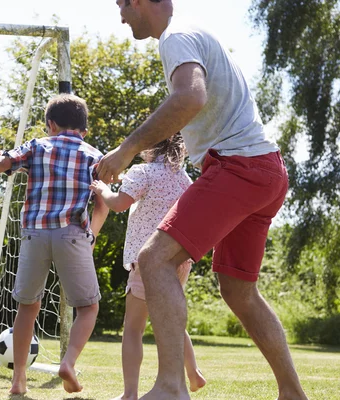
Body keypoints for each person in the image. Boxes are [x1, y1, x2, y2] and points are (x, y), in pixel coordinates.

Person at [97, 1, 309, 399]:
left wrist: (127, 149)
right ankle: (292, 393)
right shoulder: (191, 33)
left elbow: (190, 98)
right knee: (237, 289)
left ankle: (171, 386)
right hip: (265, 170)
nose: (122, 15)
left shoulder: (175, 37)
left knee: (154, 260)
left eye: (124, 3)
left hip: (238, 167)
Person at [0, 93, 109, 395]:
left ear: (50, 124)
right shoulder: (96, 156)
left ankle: (18, 381)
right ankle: (68, 362)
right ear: (84, 128)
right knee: (88, 307)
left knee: (27, 307)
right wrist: (90, 234)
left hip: (34, 235)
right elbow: (103, 203)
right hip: (72, 234)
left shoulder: (37, 146)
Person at [90, 133, 205, 400]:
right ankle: (193, 372)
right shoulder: (185, 180)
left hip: (149, 261)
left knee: (133, 327)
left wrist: (102, 190)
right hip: (178, 261)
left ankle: (130, 393)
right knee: (171, 320)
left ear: (148, 148)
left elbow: (119, 204)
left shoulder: (143, 171)